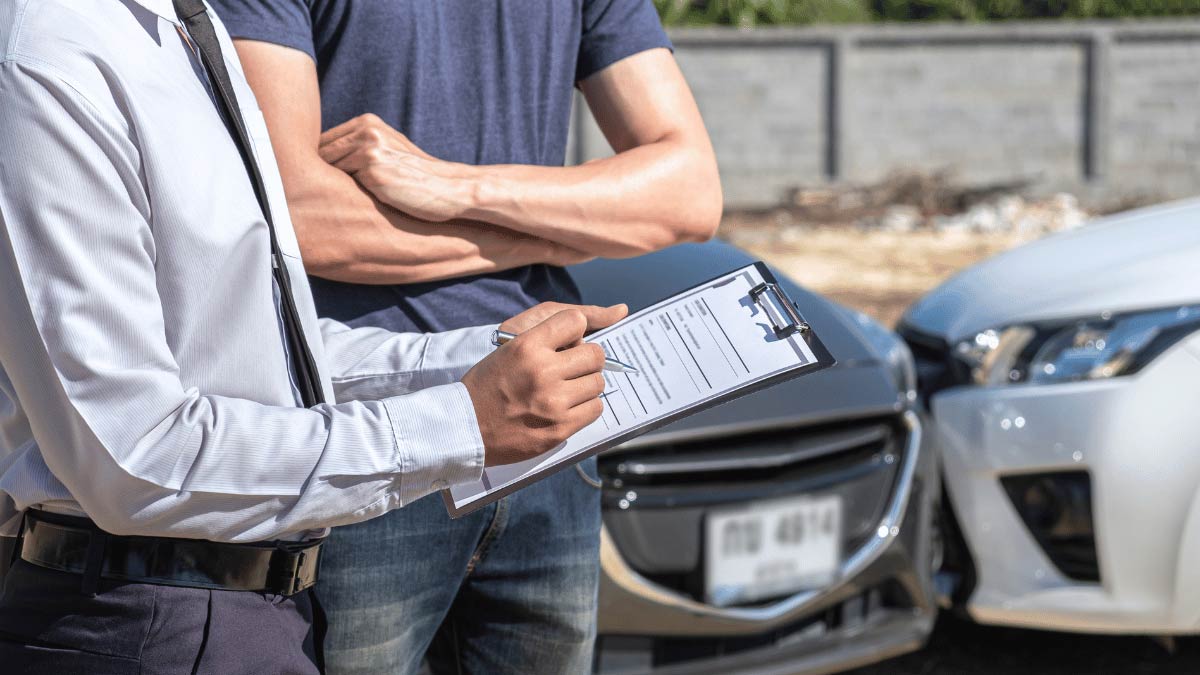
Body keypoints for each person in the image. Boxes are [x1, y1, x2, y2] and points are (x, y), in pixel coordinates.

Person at [0, 0, 626, 672]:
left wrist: (475, 355)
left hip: (255, 613)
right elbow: (135, 457)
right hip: (142, 619)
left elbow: (261, 356)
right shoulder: (46, 53)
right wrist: (460, 423)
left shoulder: (184, 26)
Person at [208, 1, 723, 672]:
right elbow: (294, 215)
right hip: (369, 434)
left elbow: (688, 196)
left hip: (554, 427)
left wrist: (456, 188)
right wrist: (561, 228)